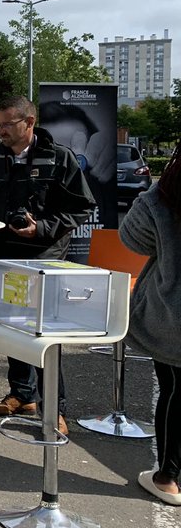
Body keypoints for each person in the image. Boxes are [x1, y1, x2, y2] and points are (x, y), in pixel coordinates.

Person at [0, 94, 95, 436]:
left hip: (40, 260)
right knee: (12, 329)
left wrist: (41, 227)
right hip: (0, 260)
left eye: (6, 124)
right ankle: (21, 394)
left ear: (29, 123)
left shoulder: (59, 158)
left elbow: (81, 207)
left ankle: (53, 409)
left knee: (42, 336)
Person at [119, 146, 181, 505]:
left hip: (170, 312)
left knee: (173, 388)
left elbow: (132, 239)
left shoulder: (165, 197)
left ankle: (168, 476)